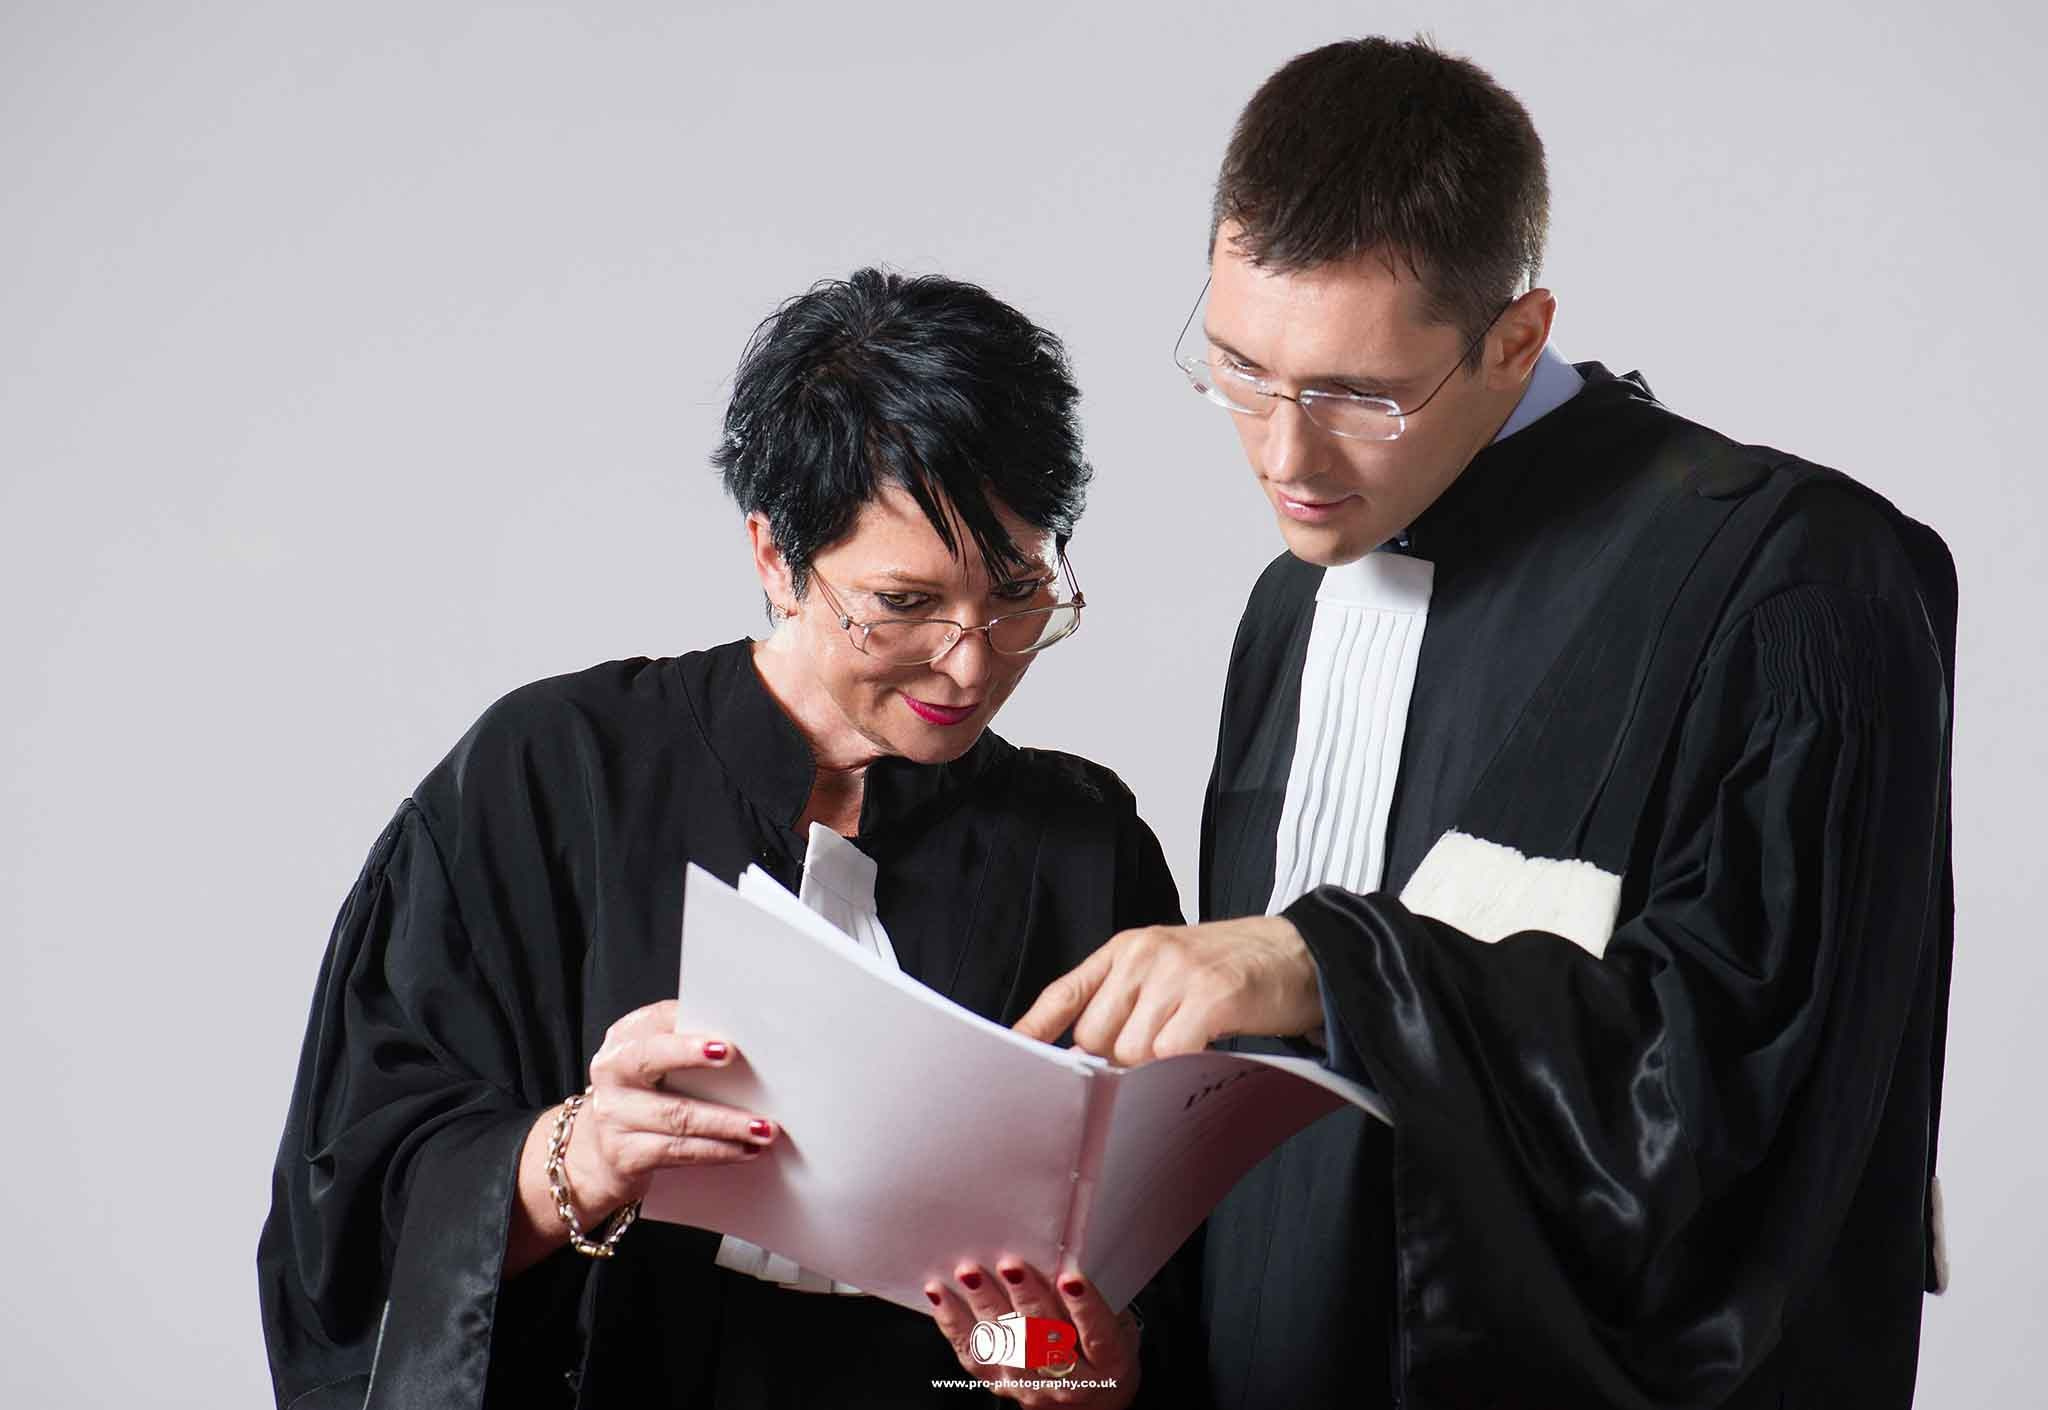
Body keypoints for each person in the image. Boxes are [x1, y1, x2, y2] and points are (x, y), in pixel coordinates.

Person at [1016, 37, 1956, 1410]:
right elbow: (1276, 1156)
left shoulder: (1794, 580)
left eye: (1359, 394)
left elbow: (1750, 1109)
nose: (1285, 455)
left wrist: (1327, 966)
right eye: (1239, 370)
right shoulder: (1290, 608)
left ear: (1517, 336)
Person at [257, 268, 1195, 1409]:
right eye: (901, 604)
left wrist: (1060, 1366)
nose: (970, 659)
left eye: (1014, 593)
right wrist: (582, 1158)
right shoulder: (552, 773)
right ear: (774, 558)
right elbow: (348, 1220)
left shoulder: (1082, 843)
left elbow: (1148, 1307)